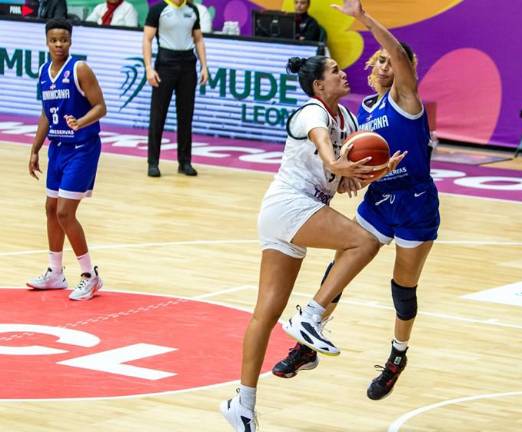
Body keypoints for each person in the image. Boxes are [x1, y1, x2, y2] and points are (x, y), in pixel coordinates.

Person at [218, 55, 405, 431]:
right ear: (320, 85)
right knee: (364, 243)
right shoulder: (310, 112)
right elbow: (324, 148)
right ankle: (311, 315)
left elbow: (346, 179)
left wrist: (373, 171)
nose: (343, 74)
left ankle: (242, 404)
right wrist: (336, 164)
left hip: (291, 213)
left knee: (266, 314)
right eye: (335, 71)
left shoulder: (347, 120)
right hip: (290, 204)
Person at [271, 0, 440, 401]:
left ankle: (397, 357)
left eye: (391, 61)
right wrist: (357, 178)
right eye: (379, 60)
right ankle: (307, 344)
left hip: (415, 200)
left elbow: (399, 54)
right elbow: (358, 167)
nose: (385, 64)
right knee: (341, 265)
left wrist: (363, 18)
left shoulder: (407, 99)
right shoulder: (362, 113)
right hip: (381, 199)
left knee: (403, 288)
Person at [26, 18, 108, 301]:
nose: (59, 44)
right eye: (54, 40)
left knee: (64, 213)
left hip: (82, 148)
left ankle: (90, 275)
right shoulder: (43, 73)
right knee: (50, 209)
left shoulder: (80, 69)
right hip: (57, 148)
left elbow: (101, 107)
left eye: (63, 39)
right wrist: (35, 148)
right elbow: (47, 114)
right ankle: (55, 272)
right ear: (47, 42)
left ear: (70, 41)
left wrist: (81, 122)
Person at [143, 0, 209, 177]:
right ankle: (153, 163)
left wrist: (204, 66)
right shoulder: (158, 9)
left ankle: (185, 162)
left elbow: (199, 39)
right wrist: (149, 68)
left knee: (186, 116)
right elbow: (147, 39)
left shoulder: (192, 9)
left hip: (188, 64)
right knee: (158, 115)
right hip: (165, 62)